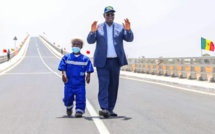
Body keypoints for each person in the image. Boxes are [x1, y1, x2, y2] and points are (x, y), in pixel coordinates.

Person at [87, 6, 134, 118]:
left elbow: (129, 38)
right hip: (102, 62)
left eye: (112, 14)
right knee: (104, 84)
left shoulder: (119, 27)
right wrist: (92, 32)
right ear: (104, 16)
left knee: (113, 85)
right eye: (108, 14)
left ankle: (110, 109)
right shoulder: (98, 28)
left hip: (115, 62)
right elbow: (90, 41)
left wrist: (128, 30)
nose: (110, 16)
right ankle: (104, 108)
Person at [58, 37, 94, 117]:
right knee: (67, 98)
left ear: (81, 47)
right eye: (74, 44)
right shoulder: (66, 58)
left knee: (81, 98)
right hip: (69, 83)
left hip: (80, 84)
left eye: (78, 44)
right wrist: (63, 74)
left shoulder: (85, 59)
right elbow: (62, 67)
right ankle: (69, 107)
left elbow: (89, 69)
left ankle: (79, 111)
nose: (76, 46)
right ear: (71, 46)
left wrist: (88, 75)